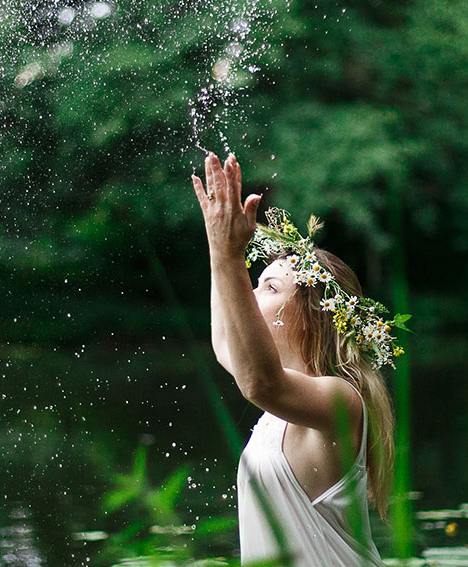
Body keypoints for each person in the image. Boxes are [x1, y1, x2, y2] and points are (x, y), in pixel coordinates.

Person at [191, 152, 397, 566]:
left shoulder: (342, 400)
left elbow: (259, 383)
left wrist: (232, 257)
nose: (248, 297)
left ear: (312, 314)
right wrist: (219, 247)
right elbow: (225, 343)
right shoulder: (282, 405)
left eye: (268, 287)